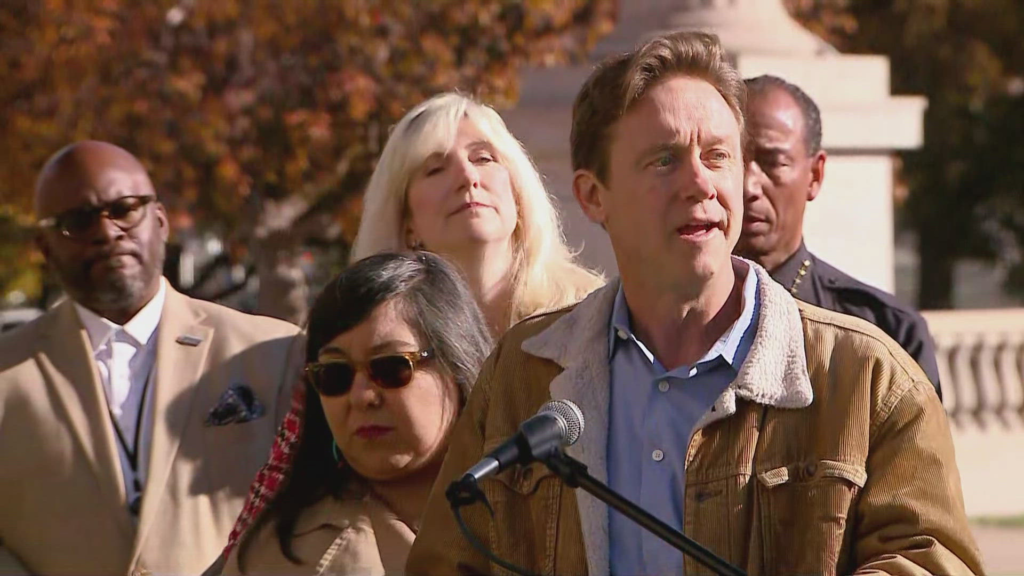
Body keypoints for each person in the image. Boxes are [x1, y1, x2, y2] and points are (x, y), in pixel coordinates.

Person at [407, 32, 982, 575]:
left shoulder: (870, 378)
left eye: (718, 157)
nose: (700, 184)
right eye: (663, 160)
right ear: (592, 196)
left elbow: (932, 560)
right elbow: (447, 561)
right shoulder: (522, 373)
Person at [220, 92, 604, 555]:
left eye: (483, 158)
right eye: (435, 168)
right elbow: (273, 510)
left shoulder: (595, 322)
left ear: (518, 195)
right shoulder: (349, 346)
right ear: (407, 225)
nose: (467, 177)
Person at [0, 141, 302, 575]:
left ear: (160, 221)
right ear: (45, 248)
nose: (106, 233)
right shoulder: (8, 372)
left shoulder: (272, 352)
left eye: (124, 209)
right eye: (78, 222)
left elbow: (314, 505)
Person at [218, 251, 493, 574]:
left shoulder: (544, 514)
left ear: (456, 364)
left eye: (389, 367)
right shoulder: (277, 557)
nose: (361, 396)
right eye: (335, 375)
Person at [734, 74, 942, 395]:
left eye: (772, 162)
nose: (748, 186)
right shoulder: (663, 325)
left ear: (815, 175)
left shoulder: (886, 334)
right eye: (730, 160)